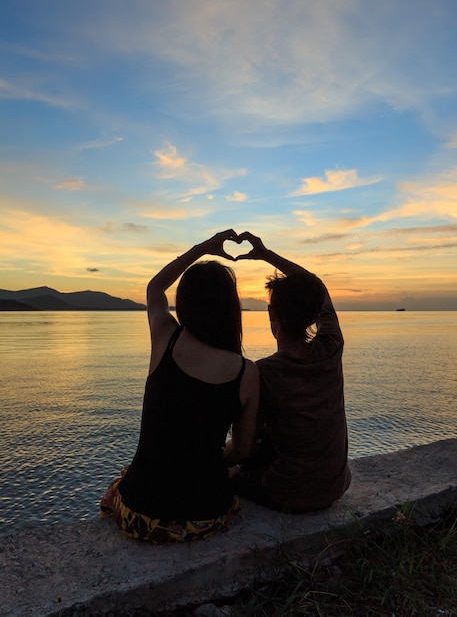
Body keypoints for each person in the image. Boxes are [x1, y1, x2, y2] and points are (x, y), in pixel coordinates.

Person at [100, 230, 259, 543]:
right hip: (206, 515)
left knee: (124, 479)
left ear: (184, 304)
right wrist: (203, 457)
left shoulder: (165, 337)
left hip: (141, 516)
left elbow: (155, 286)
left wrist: (204, 248)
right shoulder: (247, 372)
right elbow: (242, 450)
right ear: (230, 308)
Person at [230, 231, 351, 513]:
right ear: (313, 317)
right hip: (335, 486)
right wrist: (267, 254)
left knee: (228, 471)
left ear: (272, 314)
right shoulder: (331, 347)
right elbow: (317, 286)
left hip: (286, 493)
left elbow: (243, 450)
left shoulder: (263, 372)